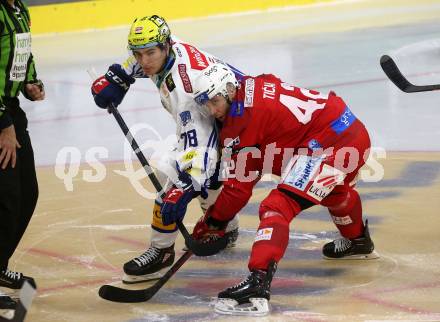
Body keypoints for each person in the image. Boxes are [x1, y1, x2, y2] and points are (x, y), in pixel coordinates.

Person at [175, 63, 379, 316]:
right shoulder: (254, 83)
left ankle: (258, 283)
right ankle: (358, 242)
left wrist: (212, 222)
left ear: (228, 90)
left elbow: (238, 189)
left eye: (215, 101)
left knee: (276, 206)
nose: (213, 110)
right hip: (348, 129)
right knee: (331, 190)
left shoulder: (241, 125)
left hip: (333, 144)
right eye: (206, 104)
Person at [91, 15, 241, 284]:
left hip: (232, 127)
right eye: (138, 54)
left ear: (166, 46)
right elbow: (135, 63)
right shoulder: (165, 52)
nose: (144, 61)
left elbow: (200, 150)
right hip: (222, 119)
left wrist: (182, 190)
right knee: (206, 177)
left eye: (150, 53)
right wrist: (117, 79)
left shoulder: (185, 89)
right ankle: (225, 227)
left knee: (172, 175)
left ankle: (161, 251)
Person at [0, 0, 44, 310]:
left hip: (12, 113)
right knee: (6, 201)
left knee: (27, 194)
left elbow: (23, 53)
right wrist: (3, 125)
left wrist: (32, 81)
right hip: (2, 118)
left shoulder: (19, 9)